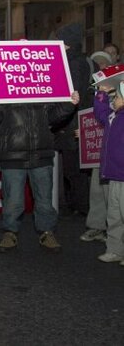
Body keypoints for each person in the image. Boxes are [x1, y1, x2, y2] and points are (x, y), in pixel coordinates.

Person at [0, 91, 80, 253]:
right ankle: (10, 232)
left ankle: (47, 232)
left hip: (40, 152)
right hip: (13, 153)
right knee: (13, 200)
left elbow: (52, 116)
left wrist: (69, 104)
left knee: (44, 199)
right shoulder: (2, 87)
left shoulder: (41, 88)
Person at [52, 23, 91, 218]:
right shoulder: (78, 61)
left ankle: (80, 206)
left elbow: (73, 94)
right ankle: (76, 204)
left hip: (71, 122)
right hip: (72, 120)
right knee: (72, 168)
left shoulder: (73, 63)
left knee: (73, 168)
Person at [80, 52, 114, 242]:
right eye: (98, 64)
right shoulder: (89, 89)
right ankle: (96, 226)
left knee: (112, 193)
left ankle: (113, 231)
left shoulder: (118, 88)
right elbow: (86, 114)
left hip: (114, 148)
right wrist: (83, 130)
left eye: (105, 64)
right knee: (97, 189)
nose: (101, 67)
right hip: (96, 148)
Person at [94, 82, 124, 263]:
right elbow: (101, 113)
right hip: (114, 175)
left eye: (118, 97)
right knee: (114, 215)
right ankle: (115, 249)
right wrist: (101, 95)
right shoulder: (114, 116)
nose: (115, 100)